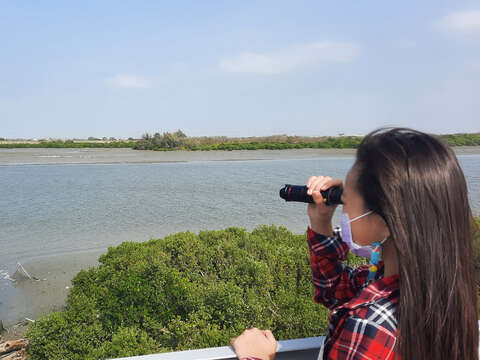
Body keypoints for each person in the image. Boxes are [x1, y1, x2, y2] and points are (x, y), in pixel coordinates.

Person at [231, 128, 478, 359]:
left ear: (385, 220)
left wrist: (257, 356)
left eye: (347, 200)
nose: (344, 209)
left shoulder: (369, 328)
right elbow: (335, 290)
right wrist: (321, 223)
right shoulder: (436, 290)